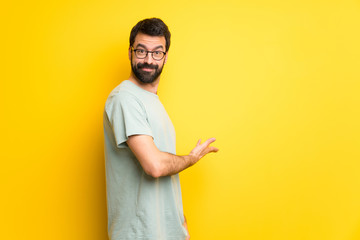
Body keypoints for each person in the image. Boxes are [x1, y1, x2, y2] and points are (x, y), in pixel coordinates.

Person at [103, 18, 218, 240]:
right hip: (140, 234)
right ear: (130, 52)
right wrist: (190, 159)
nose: (148, 60)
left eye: (157, 53)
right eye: (141, 51)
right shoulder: (125, 99)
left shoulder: (151, 100)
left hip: (165, 232)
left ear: (165, 57)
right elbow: (155, 166)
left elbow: (164, 176)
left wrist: (178, 220)